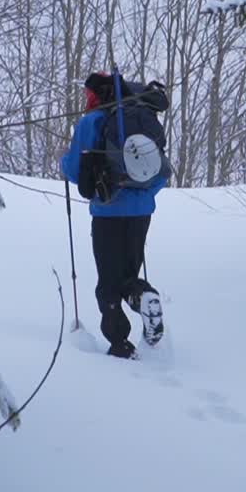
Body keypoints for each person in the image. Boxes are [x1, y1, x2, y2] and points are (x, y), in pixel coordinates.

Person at [60, 71, 168, 359]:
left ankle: (120, 345)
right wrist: (143, 196)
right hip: (142, 212)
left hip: (107, 211)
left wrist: (63, 162)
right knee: (127, 275)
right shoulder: (146, 120)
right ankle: (144, 295)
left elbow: (74, 171)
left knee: (107, 283)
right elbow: (160, 172)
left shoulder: (92, 121)